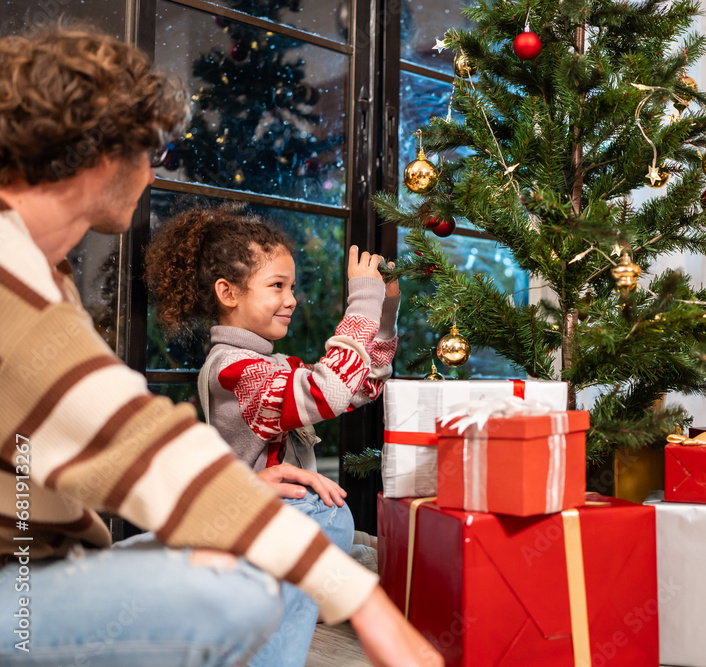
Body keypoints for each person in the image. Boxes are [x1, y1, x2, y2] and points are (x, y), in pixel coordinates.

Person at [0, 23, 440, 667]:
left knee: (290, 536)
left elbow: (53, 453)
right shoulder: (15, 277)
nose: (157, 167)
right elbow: (135, 439)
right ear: (102, 151)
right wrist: (364, 602)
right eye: (154, 147)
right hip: (21, 586)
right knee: (237, 596)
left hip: (44, 563)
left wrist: (241, 497)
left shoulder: (43, 272)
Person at [144, 205, 399, 660]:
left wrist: (384, 314)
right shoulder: (232, 370)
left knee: (358, 537)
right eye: (277, 286)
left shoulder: (271, 365)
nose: (292, 299)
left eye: (293, 287)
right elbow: (328, 394)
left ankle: (319, 581)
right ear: (228, 292)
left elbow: (360, 388)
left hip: (269, 524)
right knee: (333, 518)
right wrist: (361, 302)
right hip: (248, 524)